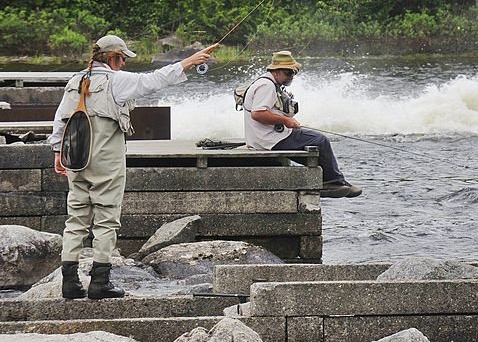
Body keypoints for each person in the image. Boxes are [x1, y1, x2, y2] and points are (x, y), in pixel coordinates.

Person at [49, 35, 216, 300]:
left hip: (76, 158)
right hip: (105, 158)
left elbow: (60, 119)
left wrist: (58, 151)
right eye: (123, 58)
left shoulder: (75, 81)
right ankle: (100, 283)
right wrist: (189, 62)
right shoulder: (117, 81)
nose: (125, 63)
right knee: (106, 217)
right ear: (112, 57)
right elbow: (153, 80)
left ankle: (69, 283)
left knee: (76, 218)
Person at [240, 51, 361, 199]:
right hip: (269, 139)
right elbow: (258, 113)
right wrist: (286, 121)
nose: (291, 76)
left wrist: (286, 119)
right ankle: (334, 182)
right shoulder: (266, 85)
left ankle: (336, 181)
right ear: (276, 71)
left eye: (293, 73)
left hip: (266, 137)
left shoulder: (267, 82)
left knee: (312, 143)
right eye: (288, 72)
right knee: (320, 141)